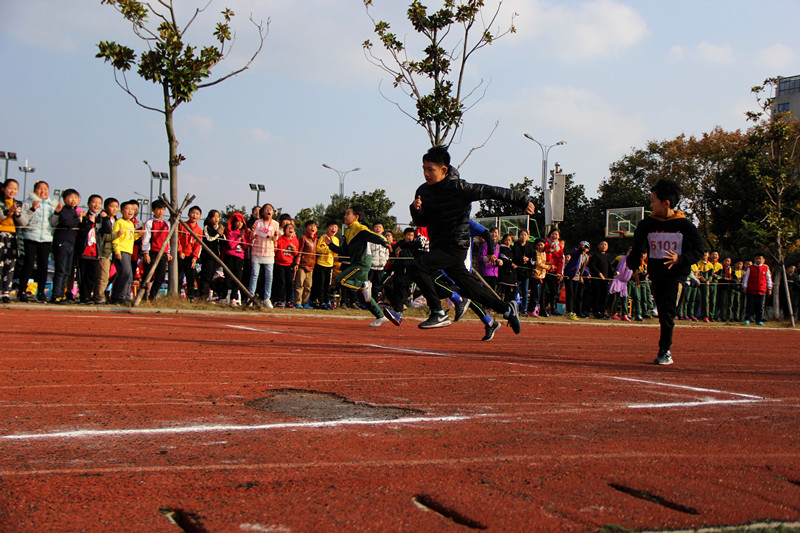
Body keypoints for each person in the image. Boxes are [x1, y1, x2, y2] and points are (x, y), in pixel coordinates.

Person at [405, 145, 534, 330]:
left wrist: (522, 200)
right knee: (470, 288)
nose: (426, 174)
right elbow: (422, 221)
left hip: (456, 245)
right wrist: (415, 209)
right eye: (424, 169)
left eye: (430, 170)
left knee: (418, 266)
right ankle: (507, 310)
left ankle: (437, 312)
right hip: (439, 245)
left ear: (443, 170)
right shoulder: (423, 191)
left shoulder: (460, 187)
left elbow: (492, 191)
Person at [627, 179, 705, 366]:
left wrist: (680, 259)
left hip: (676, 274)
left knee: (667, 312)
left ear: (666, 203)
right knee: (661, 310)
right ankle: (664, 345)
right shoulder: (647, 224)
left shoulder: (684, 225)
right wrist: (635, 267)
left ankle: (664, 350)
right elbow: (637, 247)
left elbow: (699, 250)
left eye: (653, 201)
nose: (650, 204)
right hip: (656, 273)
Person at [323, 205, 391, 326]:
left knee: (340, 280)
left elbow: (372, 236)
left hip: (362, 263)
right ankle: (380, 316)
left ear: (356, 217)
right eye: (345, 214)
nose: (345, 216)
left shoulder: (359, 228)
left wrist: (385, 242)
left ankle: (364, 285)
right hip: (357, 263)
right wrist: (330, 245)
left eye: (348, 214)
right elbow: (344, 251)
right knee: (363, 297)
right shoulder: (348, 232)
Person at [17, 180, 57, 303]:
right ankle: (22, 292)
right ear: (35, 190)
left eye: (46, 189)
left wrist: (57, 213)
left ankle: (40, 293)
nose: (43, 191)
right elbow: (22, 221)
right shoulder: (28, 202)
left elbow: (54, 223)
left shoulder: (52, 204)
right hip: (31, 236)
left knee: (43, 266)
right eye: (40, 188)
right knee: (28, 264)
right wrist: (32, 209)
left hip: (46, 238)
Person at [49, 188, 82, 303]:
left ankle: (61, 294)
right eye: (70, 197)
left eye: (76, 198)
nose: (73, 200)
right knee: (61, 270)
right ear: (64, 199)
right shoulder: (64, 211)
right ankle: (56, 295)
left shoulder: (74, 212)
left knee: (67, 271)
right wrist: (77, 220)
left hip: (71, 243)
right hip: (62, 242)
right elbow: (67, 223)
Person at [248, 203, 279, 308]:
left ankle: (267, 298)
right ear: (263, 212)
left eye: (271, 209)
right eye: (266, 209)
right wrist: (252, 232)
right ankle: (250, 296)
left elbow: (276, 239)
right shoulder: (258, 222)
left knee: (269, 276)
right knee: (254, 274)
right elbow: (252, 236)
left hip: (269, 253)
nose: (269, 211)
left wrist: (275, 236)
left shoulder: (275, 224)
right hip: (257, 252)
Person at [141, 199, 172, 301]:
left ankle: (152, 296)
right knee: (148, 276)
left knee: (161, 277)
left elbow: (168, 239)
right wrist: (146, 253)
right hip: (152, 252)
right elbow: (146, 238)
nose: (161, 212)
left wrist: (168, 252)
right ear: (153, 210)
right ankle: (142, 296)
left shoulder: (167, 223)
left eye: (163, 209)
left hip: (163, 253)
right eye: (158, 209)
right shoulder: (149, 223)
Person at [75, 194, 103, 304]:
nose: (96, 205)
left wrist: (104, 218)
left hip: (95, 252)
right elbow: (81, 232)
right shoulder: (83, 216)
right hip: (84, 251)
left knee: (92, 276)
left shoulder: (101, 218)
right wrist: (89, 222)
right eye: (94, 202)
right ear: (88, 204)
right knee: (82, 275)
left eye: (99, 203)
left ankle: (87, 296)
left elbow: (107, 230)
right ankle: (83, 297)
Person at [111, 201, 138, 304]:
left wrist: (138, 234)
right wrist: (117, 251)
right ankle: (120, 297)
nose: (130, 211)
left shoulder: (131, 223)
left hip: (128, 251)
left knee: (128, 275)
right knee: (125, 274)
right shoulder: (119, 222)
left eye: (132, 209)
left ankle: (123, 296)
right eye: (128, 209)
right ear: (122, 211)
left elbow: (130, 238)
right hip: (121, 250)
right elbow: (116, 237)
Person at [92, 197, 119, 305]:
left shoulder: (116, 220)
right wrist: (118, 235)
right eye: (112, 207)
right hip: (104, 252)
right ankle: (99, 298)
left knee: (110, 276)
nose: (114, 209)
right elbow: (104, 237)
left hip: (113, 253)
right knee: (102, 277)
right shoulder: (102, 219)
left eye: (116, 207)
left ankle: (102, 295)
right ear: (106, 207)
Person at [0, 179, 21, 303]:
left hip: (13, 237)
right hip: (1, 234)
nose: (12, 191)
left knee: (10, 265)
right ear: (3, 188)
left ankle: (6, 293)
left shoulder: (18, 204)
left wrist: (17, 214)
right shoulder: (1, 202)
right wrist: (8, 212)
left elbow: (23, 222)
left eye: (15, 189)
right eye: (10, 188)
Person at [223, 212, 249, 306]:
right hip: (230, 257)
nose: (239, 224)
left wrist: (243, 238)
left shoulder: (244, 233)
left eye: (241, 222)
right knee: (228, 277)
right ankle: (224, 296)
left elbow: (245, 246)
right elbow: (231, 245)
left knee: (238, 277)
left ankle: (234, 297)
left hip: (240, 258)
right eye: (237, 222)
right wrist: (239, 238)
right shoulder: (230, 233)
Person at [177, 205, 203, 301]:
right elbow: (178, 239)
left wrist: (195, 257)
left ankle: (190, 297)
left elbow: (198, 245)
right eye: (193, 213)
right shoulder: (182, 225)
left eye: (197, 214)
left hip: (191, 257)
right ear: (188, 214)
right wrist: (180, 251)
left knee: (191, 278)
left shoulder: (199, 230)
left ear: (199, 216)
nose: (194, 215)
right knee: (179, 277)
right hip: (181, 255)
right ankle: (177, 295)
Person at [311, 222, 338, 309]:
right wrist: (328, 248)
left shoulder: (336, 240)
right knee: (321, 284)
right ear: (327, 228)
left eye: (335, 227)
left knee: (327, 284)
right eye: (331, 226)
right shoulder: (323, 237)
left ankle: (327, 301)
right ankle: (321, 301)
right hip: (321, 263)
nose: (333, 229)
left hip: (330, 264)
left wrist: (330, 248)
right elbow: (318, 249)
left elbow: (336, 252)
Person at [272, 223, 299, 308]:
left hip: (289, 264)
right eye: (288, 228)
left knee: (290, 283)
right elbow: (275, 250)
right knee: (281, 282)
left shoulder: (295, 240)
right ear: (284, 231)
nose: (290, 230)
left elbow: (296, 253)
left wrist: (294, 249)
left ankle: (289, 300)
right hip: (279, 264)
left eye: (292, 228)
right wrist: (275, 245)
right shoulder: (280, 239)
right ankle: (279, 300)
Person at [200, 209, 224, 301]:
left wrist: (221, 234)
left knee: (212, 276)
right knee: (206, 275)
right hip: (208, 256)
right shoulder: (207, 227)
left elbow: (223, 240)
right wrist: (218, 233)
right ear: (209, 218)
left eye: (218, 217)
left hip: (216, 256)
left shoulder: (218, 228)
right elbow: (209, 239)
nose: (216, 219)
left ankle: (209, 295)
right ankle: (203, 296)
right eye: (214, 217)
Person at [294, 220, 318, 309]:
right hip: (302, 265)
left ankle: (305, 302)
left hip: (311, 266)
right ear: (306, 228)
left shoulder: (316, 239)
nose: (313, 228)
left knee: (308, 286)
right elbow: (299, 252)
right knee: (299, 284)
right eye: (310, 226)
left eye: (314, 226)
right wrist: (297, 263)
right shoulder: (303, 238)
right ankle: (297, 302)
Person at [563, 241, 590, 320]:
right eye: (582, 247)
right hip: (570, 274)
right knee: (570, 293)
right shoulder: (575, 252)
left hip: (577, 276)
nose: (584, 248)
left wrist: (586, 274)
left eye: (586, 247)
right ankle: (569, 311)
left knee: (574, 294)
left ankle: (572, 310)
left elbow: (582, 267)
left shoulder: (586, 257)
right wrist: (580, 248)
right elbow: (577, 252)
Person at [743, 253, 772, 325]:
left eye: (760, 258)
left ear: (763, 260)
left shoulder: (766, 268)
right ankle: (747, 318)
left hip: (761, 290)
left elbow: (768, 279)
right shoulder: (750, 268)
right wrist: (745, 286)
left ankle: (759, 320)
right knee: (750, 305)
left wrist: (769, 288)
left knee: (760, 306)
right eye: (757, 258)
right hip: (751, 289)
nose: (758, 260)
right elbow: (746, 278)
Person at [588, 240, 612, 319]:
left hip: (605, 280)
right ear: (598, 246)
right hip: (597, 279)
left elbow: (610, 267)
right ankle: (596, 311)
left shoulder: (608, 256)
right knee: (596, 295)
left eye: (605, 244)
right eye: (602, 244)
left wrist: (612, 276)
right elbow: (592, 266)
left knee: (604, 296)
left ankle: (603, 311)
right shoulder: (595, 255)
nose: (604, 246)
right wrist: (599, 273)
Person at [608, 249, 634, 322]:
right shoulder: (620, 258)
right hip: (617, 279)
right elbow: (612, 265)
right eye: (630, 252)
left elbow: (634, 270)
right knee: (617, 297)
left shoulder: (633, 260)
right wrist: (614, 272)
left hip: (625, 281)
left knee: (625, 298)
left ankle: (624, 314)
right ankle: (613, 313)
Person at [367, 222, 390, 302]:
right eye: (376, 227)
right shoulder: (370, 239)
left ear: (383, 229)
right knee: (368, 284)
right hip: (371, 266)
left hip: (380, 266)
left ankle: (375, 301)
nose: (378, 229)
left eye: (380, 227)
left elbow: (387, 252)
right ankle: (367, 301)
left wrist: (384, 261)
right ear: (372, 229)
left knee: (377, 285)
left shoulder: (384, 240)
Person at [528, 238, 547, 317]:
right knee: (535, 294)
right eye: (538, 245)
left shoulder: (544, 253)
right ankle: (531, 310)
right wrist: (549, 266)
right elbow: (539, 264)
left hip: (542, 276)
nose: (540, 246)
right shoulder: (535, 253)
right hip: (535, 276)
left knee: (538, 294)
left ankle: (533, 309)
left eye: (541, 245)